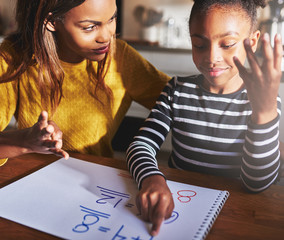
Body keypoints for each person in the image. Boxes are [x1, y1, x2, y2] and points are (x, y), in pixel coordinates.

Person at [126, 0, 283, 236]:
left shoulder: (263, 100)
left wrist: (264, 113)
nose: (212, 57)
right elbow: (141, 144)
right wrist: (151, 178)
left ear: (252, 42)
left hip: (235, 216)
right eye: (199, 44)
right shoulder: (177, 89)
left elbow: (256, 184)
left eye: (227, 44)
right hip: (181, 209)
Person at [0, 0, 170, 164]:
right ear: (51, 22)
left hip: (94, 180)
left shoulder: (121, 58)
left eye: (112, 18)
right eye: (89, 27)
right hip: (27, 178)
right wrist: (25, 140)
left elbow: (182, 104)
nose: (106, 36)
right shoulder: (12, 58)